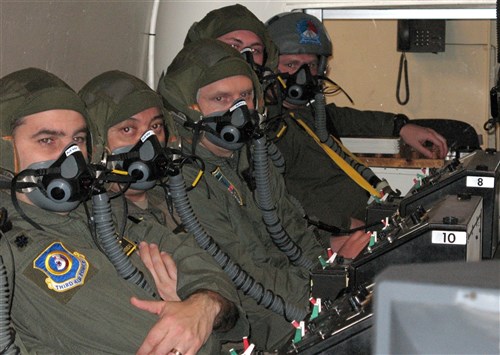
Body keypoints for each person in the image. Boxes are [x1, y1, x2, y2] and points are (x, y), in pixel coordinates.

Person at [0, 67, 247, 354]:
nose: (71, 158)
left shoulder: (103, 212)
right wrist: (190, 310)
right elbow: (160, 344)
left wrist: (204, 303)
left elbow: (213, 276)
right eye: (47, 141)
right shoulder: (23, 253)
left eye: (77, 141)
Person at [157, 38, 372, 351]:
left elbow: (294, 228)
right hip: (267, 324)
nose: (239, 109)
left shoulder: (253, 157)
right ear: (185, 109)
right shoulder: (185, 183)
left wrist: (332, 276)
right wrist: (322, 295)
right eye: (221, 98)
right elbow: (244, 275)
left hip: (300, 302)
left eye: (245, 96)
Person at [263, 12, 449, 233]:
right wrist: (345, 226)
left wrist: (401, 126)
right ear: (270, 67)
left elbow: (350, 119)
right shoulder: (268, 129)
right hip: (337, 232)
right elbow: (286, 194)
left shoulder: (309, 114)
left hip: (368, 217)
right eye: (291, 64)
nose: (303, 75)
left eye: (311, 65)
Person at [79, 70, 182, 231]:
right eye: (127, 129)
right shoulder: (98, 223)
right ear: (95, 143)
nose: (149, 142)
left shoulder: (175, 197)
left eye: (155, 127)